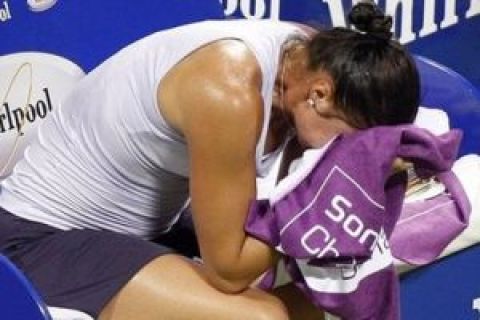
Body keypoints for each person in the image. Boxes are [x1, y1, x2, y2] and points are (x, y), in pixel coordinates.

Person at [0, 1, 420, 319]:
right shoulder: (227, 90)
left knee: (311, 303)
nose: (347, 159)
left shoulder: (313, 59)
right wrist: (322, 205)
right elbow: (230, 270)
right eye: (349, 145)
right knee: (265, 317)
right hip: (39, 245)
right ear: (321, 95)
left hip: (141, 230)